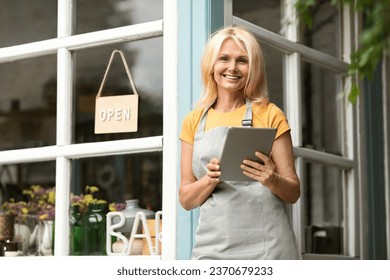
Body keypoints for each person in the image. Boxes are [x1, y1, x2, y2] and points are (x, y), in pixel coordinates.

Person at [179, 26, 301, 260]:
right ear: (212, 65)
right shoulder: (194, 120)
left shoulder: (269, 114)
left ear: (252, 68)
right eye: (224, 59)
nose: (232, 68)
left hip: (269, 246)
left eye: (242, 60)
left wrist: (271, 179)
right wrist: (209, 179)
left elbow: (293, 191)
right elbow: (186, 199)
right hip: (213, 247)